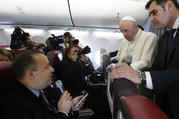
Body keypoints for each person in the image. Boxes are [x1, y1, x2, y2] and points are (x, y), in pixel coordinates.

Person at [109, 0, 179, 118]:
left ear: (169, 5)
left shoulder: (152, 38)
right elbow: (157, 69)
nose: (151, 19)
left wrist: (140, 75)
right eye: (149, 15)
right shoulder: (164, 39)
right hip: (164, 106)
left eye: (154, 12)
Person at [1, 50, 83, 119]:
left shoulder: (44, 87)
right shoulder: (14, 107)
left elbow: (54, 109)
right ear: (31, 74)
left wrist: (70, 105)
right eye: (47, 66)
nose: (52, 69)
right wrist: (63, 113)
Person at [55, 46, 111, 119]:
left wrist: (86, 61)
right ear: (68, 55)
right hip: (76, 94)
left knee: (104, 94)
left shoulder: (78, 62)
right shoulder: (63, 64)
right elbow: (67, 78)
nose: (76, 54)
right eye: (73, 53)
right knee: (102, 105)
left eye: (77, 52)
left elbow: (89, 72)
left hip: (84, 89)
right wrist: (74, 62)